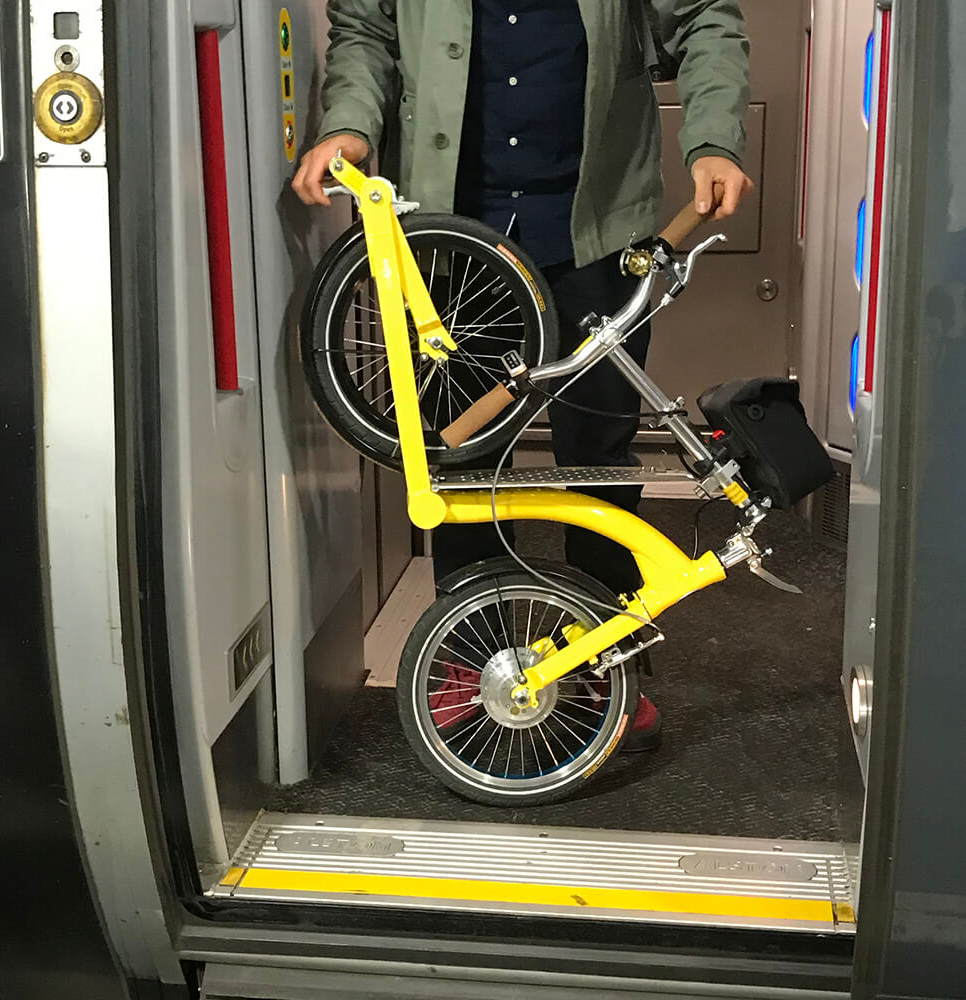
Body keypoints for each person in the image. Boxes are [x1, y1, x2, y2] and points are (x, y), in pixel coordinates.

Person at [294, 0, 753, 753]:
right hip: (452, 235)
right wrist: (350, 123)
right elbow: (367, 30)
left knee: (598, 455)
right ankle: (470, 658)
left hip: (597, 227)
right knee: (460, 458)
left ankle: (604, 656)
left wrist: (711, 140)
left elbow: (704, 18)